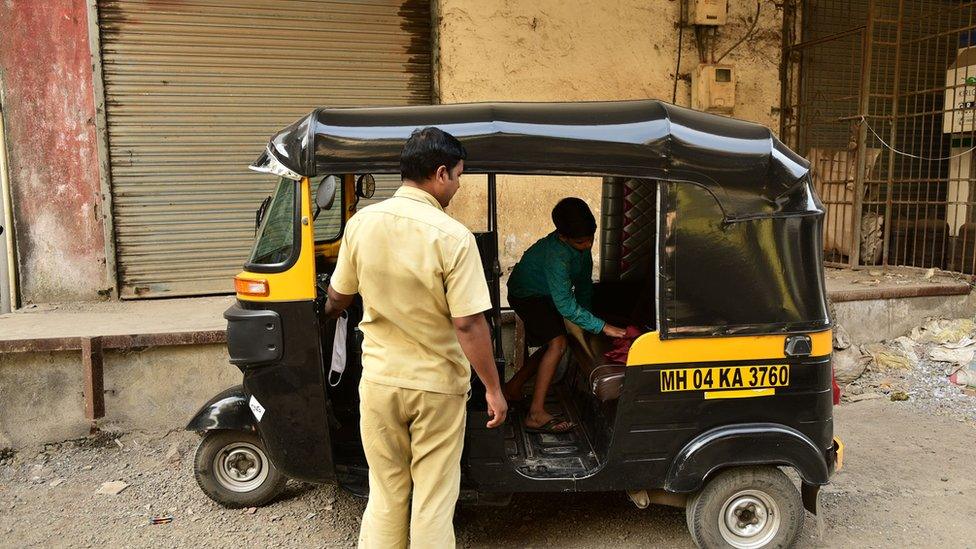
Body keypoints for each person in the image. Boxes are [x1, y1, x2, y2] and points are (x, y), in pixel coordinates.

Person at [323, 127, 507, 548]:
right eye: (459, 176)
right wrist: (493, 389)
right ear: (441, 173)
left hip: (381, 381)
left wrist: (331, 314)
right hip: (437, 389)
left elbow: (338, 296)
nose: (459, 186)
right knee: (433, 499)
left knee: (386, 494)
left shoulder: (361, 224)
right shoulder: (453, 236)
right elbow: (468, 324)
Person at [504, 197, 626, 433]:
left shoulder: (581, 248)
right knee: (557, 343)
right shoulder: (557, 256)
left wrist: (589, 318)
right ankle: (535, 414)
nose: (588, 245)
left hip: (546, 293)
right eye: (581, 241)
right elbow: (566, 306)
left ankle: (514, 387)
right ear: (562, 236)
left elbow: (582, 286)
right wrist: (602, 327)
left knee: (555, 344)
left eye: (592, 238)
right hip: (526, 294)